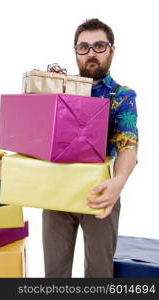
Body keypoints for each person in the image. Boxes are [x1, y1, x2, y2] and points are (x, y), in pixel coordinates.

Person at [42, 18, 138, 278]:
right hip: (56, 193)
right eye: (83, 47)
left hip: (101, 194)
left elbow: (128, 143)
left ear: (112, 50)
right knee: (54, 275)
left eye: (99, 46)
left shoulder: (122, 96)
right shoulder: (61, 90)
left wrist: (119, 181)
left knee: (99, 275)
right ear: (76, 52)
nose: (91, 53)